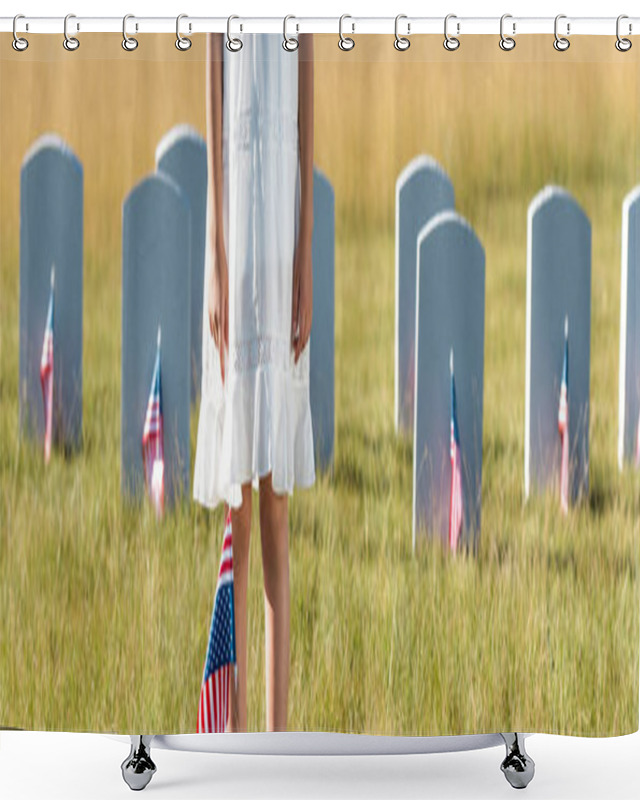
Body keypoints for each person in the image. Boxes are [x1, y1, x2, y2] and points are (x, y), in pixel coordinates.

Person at [194, 31, 315, 733]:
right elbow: (213, 119)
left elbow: (308, 127)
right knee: (237, 495)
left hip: (281, 247)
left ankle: (280, 734)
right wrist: (215, 258)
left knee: (276, 504)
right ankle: (231, 731)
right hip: (235, 243)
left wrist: (305, 257)